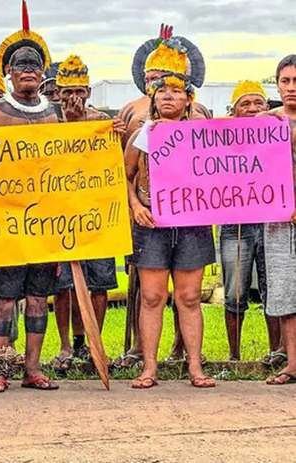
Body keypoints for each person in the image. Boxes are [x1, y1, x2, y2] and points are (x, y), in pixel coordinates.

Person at [113, 24, 210, 369]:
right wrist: (135, 205)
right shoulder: (143, 134)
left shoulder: (205, 135)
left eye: (176, 90)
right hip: (151, 222)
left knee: (189, 296)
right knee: (152, 296)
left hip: (191, 224)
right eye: (162, 90)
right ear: (152, 98)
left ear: (188, 99)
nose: (169, 95)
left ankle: (195, 365)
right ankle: (150, 365)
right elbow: (123, 176)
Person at [0, 2, 60, 393]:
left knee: (38, 298)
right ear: (8, 73)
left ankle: (33, 367)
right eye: (20, 65)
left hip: (46, 225)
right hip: (4, 223)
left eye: (34, 65)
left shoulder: (55, 113)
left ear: (43, 73)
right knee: (4, 301)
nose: (28, 70)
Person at [51, 55, 119, 372]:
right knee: (62, 284)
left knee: (100, 281)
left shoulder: (102, 122)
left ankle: (94, 343)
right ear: (56, 93)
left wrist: (116, 134)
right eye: (66, 92)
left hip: (97, 214)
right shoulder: (48, 123)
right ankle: (67, 344)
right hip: (59, 215)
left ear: (88, 91)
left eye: (78, 90)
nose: (72, 98)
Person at [221, 81, 274, 362]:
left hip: (272, 222)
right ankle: (234, 355)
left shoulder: (278, 134)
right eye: (246, 103)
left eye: (258, 103)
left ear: (267, 107)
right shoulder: (220, 138)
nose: (253, 109)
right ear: (234, 110)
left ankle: (276, 352)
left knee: (274, 288)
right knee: (235, 290)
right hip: (235, 224)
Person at [263, 55, 296, 385]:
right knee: (286, 293)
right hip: (278, 221)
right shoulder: (264, 123)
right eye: (285, 81)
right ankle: (292, 364)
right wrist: (158, 128)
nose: (291, 88)